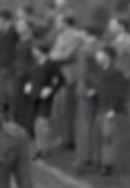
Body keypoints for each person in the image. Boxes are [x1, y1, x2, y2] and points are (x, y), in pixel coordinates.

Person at [91, 46, 129, 176]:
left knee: (108, 137)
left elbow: (120, 92)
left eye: (100, 54)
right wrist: (94, 92)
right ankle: (99, 162)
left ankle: (108, 165)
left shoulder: (117, 72)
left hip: (109, 109)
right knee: (98, 136)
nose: (97, 56)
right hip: (100, 107)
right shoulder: (100, 70)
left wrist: (113, 109)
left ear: (107, 56)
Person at [23, 41, 65, 158]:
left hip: (44, 96)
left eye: (35, 49)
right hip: (33, 95)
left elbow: (61, 80)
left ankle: (44, 148)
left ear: (41, 51)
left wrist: (50, 89)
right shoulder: (36, 63)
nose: (33, 52)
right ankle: (38, 147)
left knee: (43, 122)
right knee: (36, 122)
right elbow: (31, 76)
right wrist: (28, 84)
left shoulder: (51, 64)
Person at [49, 13, 83, 150]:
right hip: (59, 73)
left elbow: (66, 54)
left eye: (58, 21)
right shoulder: (60, 36)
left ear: (66, 22)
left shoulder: (76, 37)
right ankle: (63, 136)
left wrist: (55, 55)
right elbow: (53, 53)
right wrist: (55, 55)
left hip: (70, 75)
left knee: (69, 108)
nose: (56, 24)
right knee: (59, 107)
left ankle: (71, 139)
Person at [73, 26, 103, 173]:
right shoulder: (103, 47)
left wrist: (91, 87)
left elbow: (84, 72)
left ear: (86, 33)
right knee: (97, 123)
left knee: (85, 124)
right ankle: (98, 158)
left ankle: (85, 158)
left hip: (86, 90)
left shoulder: (85, 50)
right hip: (101, 89)